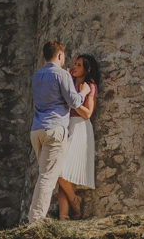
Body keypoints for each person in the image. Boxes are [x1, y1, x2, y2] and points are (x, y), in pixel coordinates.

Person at [27, 40, 90, 223]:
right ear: (60, 56)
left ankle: (67, 203)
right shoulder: (62, 75)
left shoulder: (36, 75)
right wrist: (84, 92)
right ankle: (36, 219)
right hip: (54, 130)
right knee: (48, 176)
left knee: (46, 174)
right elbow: (74, 102)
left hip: (36, 130)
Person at [56, 54, 100, 220]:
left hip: (79, 127)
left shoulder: (89, 86)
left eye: (79, 65)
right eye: (74, 63)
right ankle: (64, 217)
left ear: (87, 69)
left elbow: (87, 113)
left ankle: (75, 201)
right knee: (61, 173)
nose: (74, 66)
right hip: (64, 126)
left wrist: (74, 101)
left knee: (61, 172)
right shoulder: (69, 84)